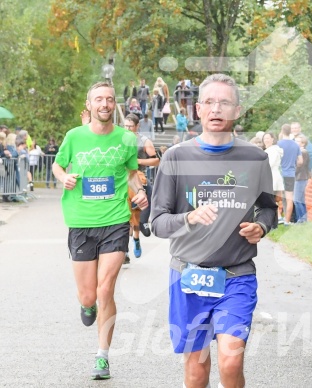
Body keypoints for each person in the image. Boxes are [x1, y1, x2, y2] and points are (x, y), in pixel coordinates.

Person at [150, 73, 277, 388]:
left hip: (236, 276)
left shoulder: (255, 158)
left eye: (224, 102)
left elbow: (268, 208)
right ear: (197, 110)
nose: (216, 109)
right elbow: (157, 223)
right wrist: (189, 218)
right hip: (187, 276)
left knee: (231, 361)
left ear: (237, 110)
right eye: (209, 102)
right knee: (196, 372)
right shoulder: (176, 158)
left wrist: (261, 226)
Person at [51, 81, 148, 380]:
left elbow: (130, 174)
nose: (104, 104)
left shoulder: (125, 138)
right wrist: (64, 177)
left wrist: (139, 191)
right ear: (89, 104)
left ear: (113, 104)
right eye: (98, 99)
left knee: (106, 290)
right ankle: (88, 305)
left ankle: (102, 356)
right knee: (89, 295)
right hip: (81, 222)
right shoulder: (74, 136)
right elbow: (57, 166)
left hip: (115, 220)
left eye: (109, 99)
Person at [122, 113, 160, 265]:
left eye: (130, 126)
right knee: (124, 217)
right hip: (120, 179)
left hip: (138, 177)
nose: (127, 129)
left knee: (136, 216)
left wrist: (136, 160)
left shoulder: (144, 141)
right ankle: (124, 250)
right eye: (125, 126)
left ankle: (138, 236)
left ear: (137, 127)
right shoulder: (118, 139)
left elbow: (156, 160)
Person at [277, 123, 302, 225]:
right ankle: (287, 221)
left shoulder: (278, 144)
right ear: (291, 131)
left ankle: (278, 217)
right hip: (290, 174)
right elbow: (300, 161)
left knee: (278, 196)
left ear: (282, 131)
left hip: (280, 173)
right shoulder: (295, 145)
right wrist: (294, 165)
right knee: (289, 198)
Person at [262, 132, 285, 225]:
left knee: (271, 199)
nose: (266, 140)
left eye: (268, 138)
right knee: (272, 199)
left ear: (272, 139)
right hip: (273, 176)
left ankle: (278, 217)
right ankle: (276, 217)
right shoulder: (271, 150)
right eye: (265, 138)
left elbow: (269, 164)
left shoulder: (272, 151)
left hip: (272, 176)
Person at [293, 134, 310, 223]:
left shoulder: (303, 152)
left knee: (297, 200)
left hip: (301, 178)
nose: (296, 143)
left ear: (303, 143)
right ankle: (303, 218)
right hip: (300, 177)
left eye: (298, 141)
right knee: (300, 199)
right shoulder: (300, 152)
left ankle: (302, 219)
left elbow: (300, 165)